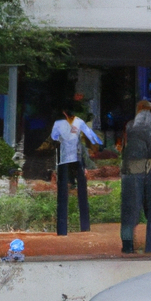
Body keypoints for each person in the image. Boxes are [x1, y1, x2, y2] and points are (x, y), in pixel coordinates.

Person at [120, 100, 151, 254]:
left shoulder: (129, 125)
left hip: (130, 169)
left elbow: (124, 148)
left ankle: (127, 246)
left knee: (128, 212)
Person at [51, 100, 99, 236]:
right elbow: (81, 143)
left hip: (64, 159)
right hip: (77, 158)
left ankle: (63, 230)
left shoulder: (59, 124)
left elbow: (54, 139)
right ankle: (84, 226)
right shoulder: (77, 123)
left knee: (63, 193)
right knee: (81, 191)